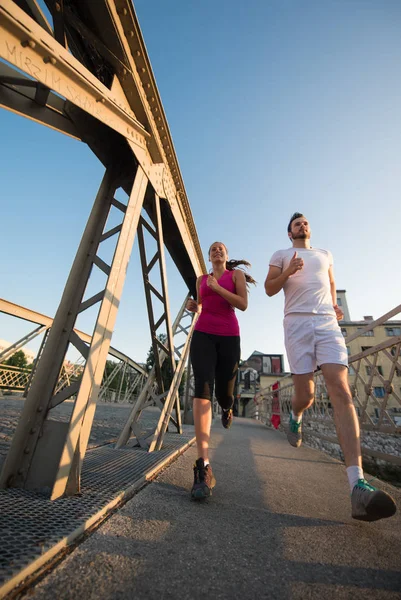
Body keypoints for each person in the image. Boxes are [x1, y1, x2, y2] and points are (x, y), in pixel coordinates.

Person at [264, 213, 396, 522]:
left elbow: (331, 285)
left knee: (341, 390)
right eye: (297, 223)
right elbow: (270, 289)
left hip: (326, 323)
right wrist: (289, 272)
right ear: (289, 233)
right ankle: (296, 416)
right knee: (306, 395)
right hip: (296, 322)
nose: (303, 225)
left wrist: (335, 306)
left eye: (306, 222)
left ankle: (357, 486)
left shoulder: (325, 254)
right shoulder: (282, 255)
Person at [186, 241, 255, 500]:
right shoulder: (201, 279)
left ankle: (227, 407)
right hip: (203, 334)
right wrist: (195, 307)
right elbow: (203, 305)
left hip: (228, 336)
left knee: (224, 394)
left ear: (226, 255)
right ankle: (203, 465)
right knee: (202, 386)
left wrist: (218, 289)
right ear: (209, 256)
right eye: (213, 249)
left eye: (221, 249)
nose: (217, 251)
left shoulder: (234, 276)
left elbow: (242, 304)